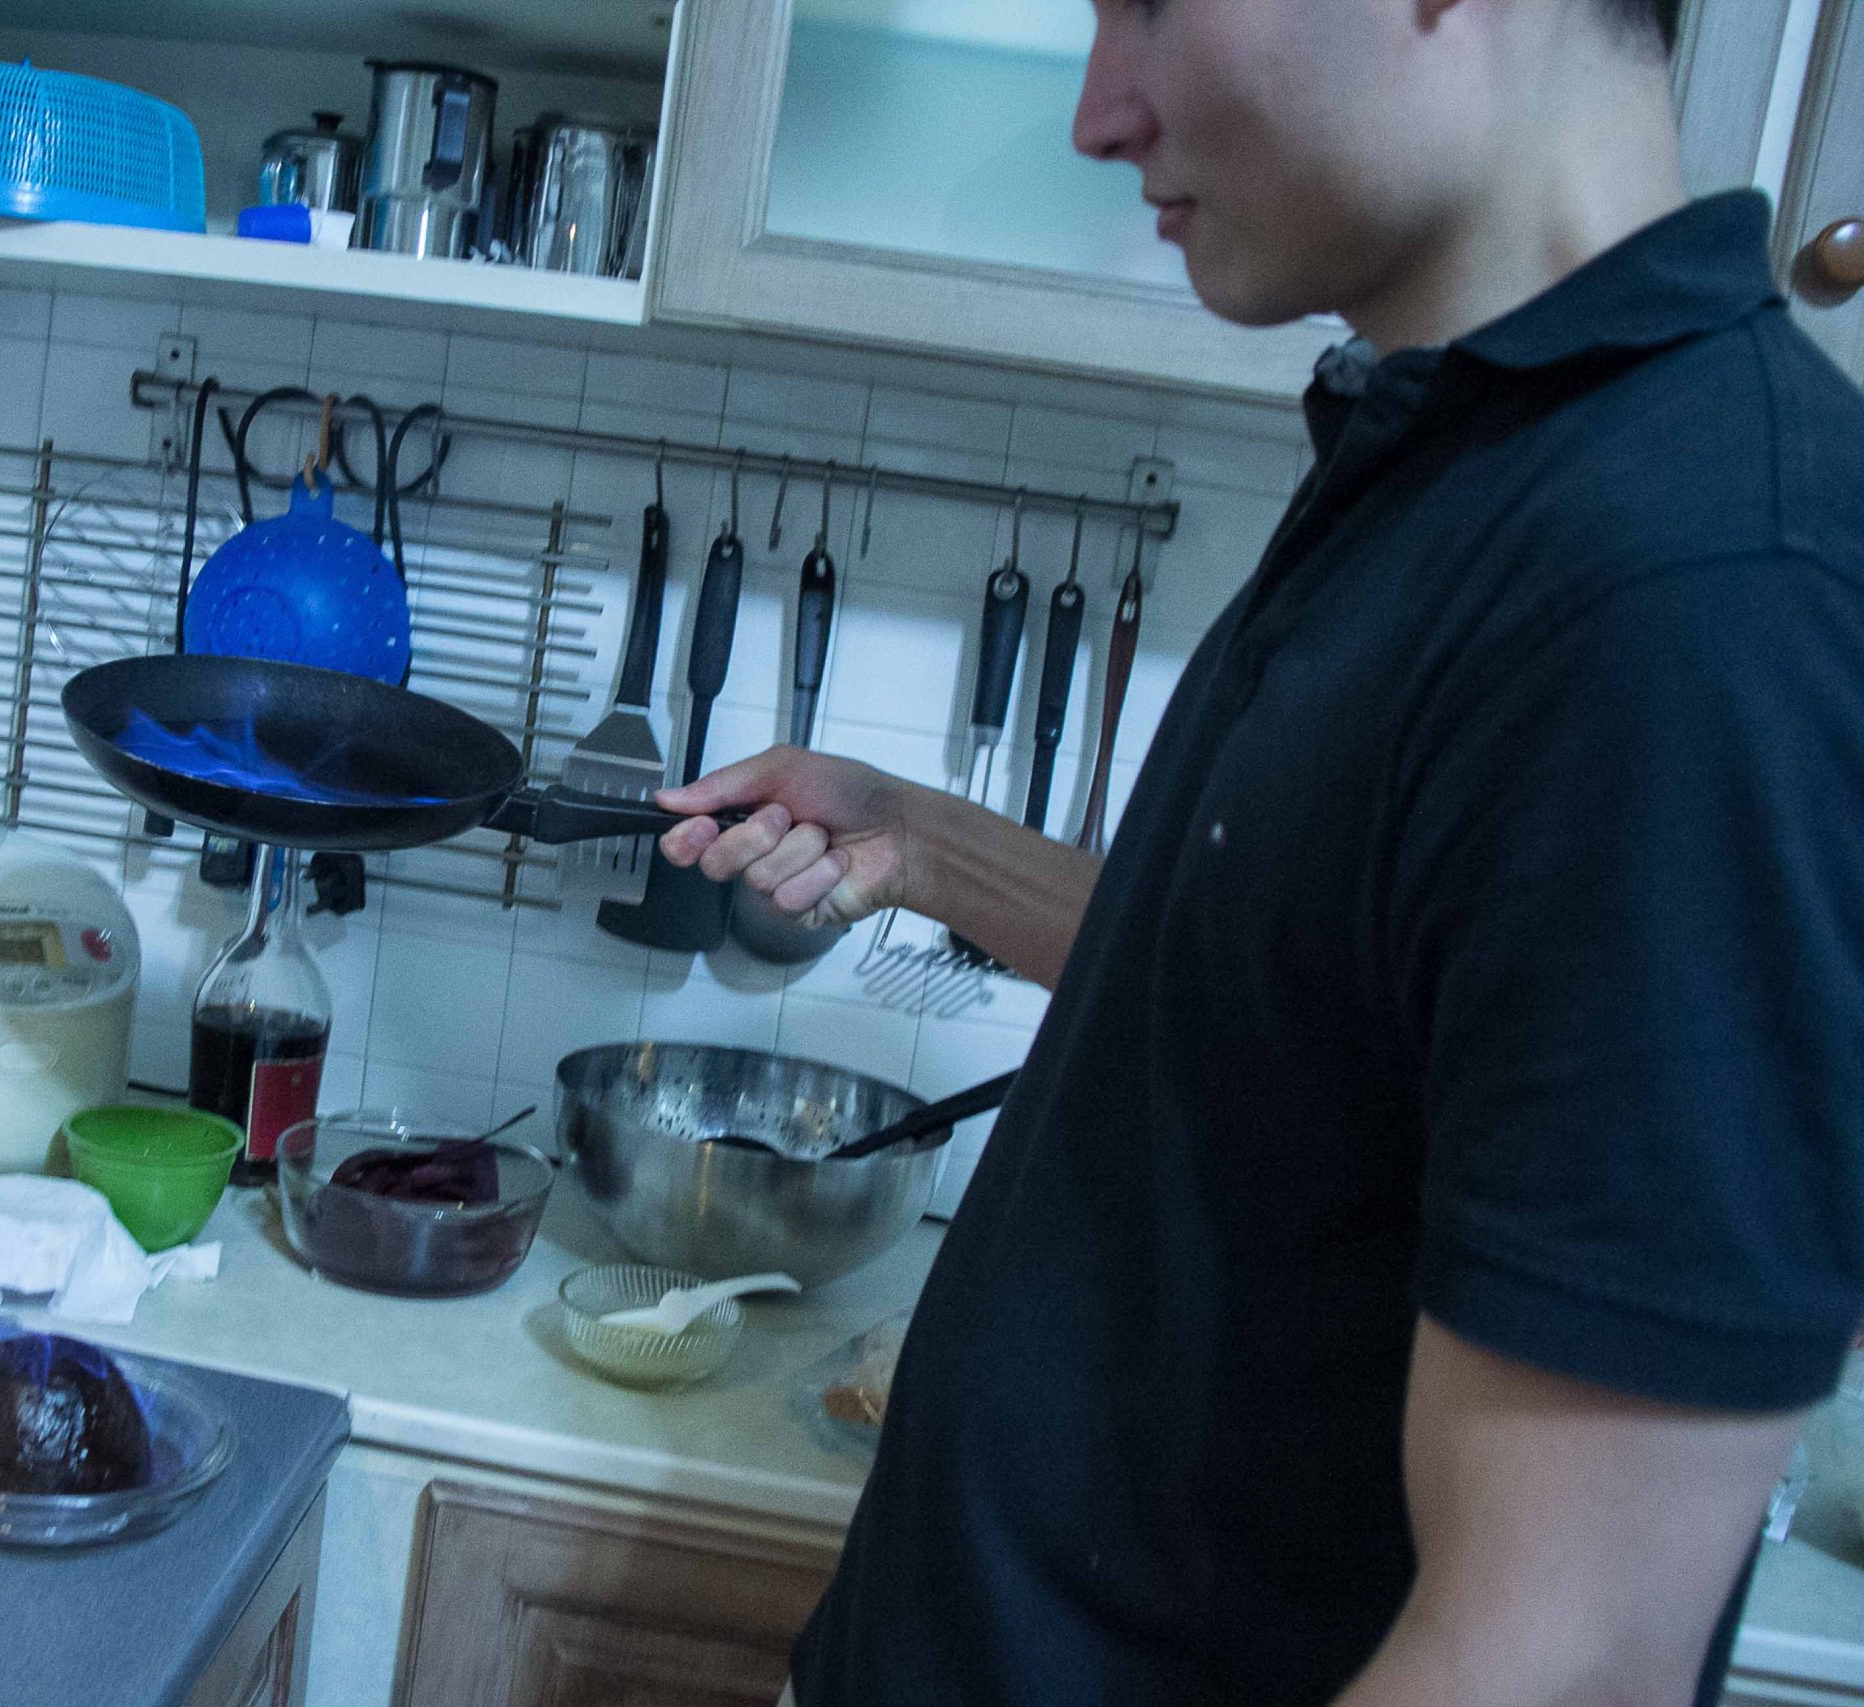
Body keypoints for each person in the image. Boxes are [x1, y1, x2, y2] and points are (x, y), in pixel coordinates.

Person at [660, 0, 1864, 1701]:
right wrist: (925, 845)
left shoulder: (1703, 591)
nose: (1096, 112)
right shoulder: (1465, 461)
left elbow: (1561, 1657)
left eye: (1151, 2)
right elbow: (1306, 999)